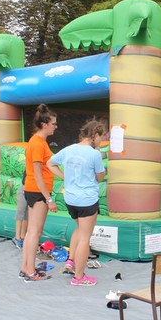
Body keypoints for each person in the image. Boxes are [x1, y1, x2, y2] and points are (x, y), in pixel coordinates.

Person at [47, 120, 107, 287]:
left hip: (71, 200)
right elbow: (100, 177)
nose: (100, 141)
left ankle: (71, 261)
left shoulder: (68, 150)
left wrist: (64, 177)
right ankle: (79, 277)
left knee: (80, 229)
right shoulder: (94, 154)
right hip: (87, 200)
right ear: (95, 135)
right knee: (84, 239)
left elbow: (50, 163)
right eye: (100, 137)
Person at [19, 104, 58, 282]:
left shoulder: (39, 142)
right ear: (44, 124)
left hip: (35, 190)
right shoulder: (36, 143)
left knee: (31, 232)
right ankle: (29, 270)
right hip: (37, 191)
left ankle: (26, 267)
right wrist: (49, 199)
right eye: (53, 124)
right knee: (35, 232)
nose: (55, 127)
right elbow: (36, 173)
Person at [11, 173, 29, 249]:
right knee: (20, 213)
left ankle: (23, 236)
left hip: (32, 191)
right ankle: (17, 237)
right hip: (24, 191)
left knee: (27, 215)